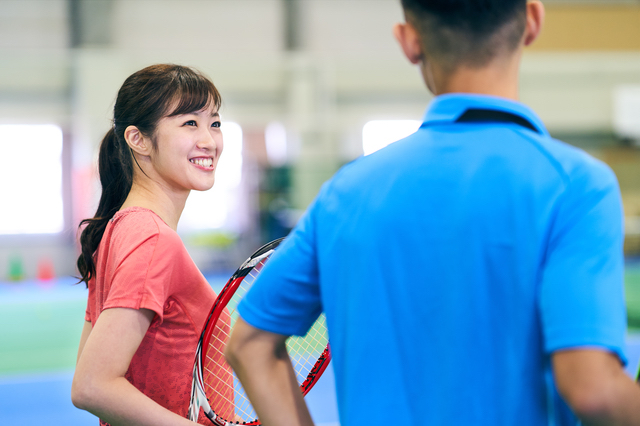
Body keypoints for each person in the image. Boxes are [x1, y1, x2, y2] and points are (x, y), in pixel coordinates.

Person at [225, 1, 640, 425]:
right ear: (533, 20)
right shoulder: (576, 185)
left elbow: (249, 344)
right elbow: (594, 392)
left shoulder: (345, 193)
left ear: (409, 41)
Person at [71, 64, 231, 425]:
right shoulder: (151, 238)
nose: (209, 140)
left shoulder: (119, 229)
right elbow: (91, 386)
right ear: (138, 139)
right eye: (189, 123)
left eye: (215, 123)